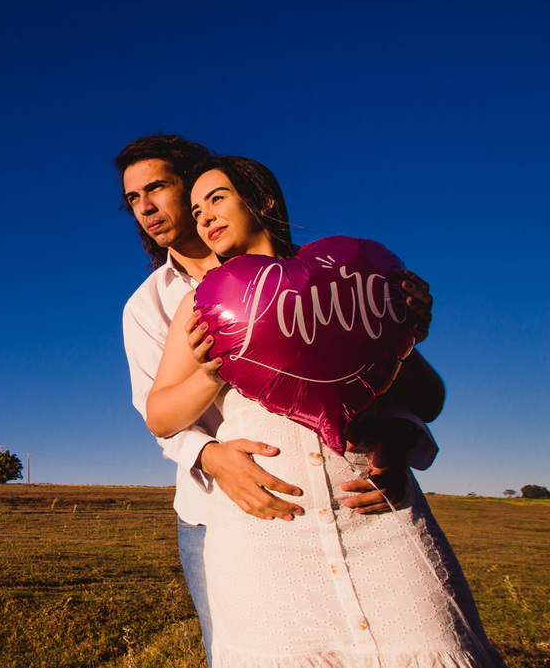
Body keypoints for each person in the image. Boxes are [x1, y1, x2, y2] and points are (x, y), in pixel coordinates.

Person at [145, 155, 504, 667]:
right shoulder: (201, 303)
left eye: (217, 198)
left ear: (263, 199)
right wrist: (209, 372)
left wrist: (403, 335)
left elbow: (430, 400)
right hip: (264, 534)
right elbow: (160, 415)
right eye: (197, 208)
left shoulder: (347, 279)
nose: (203, 216)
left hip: (379, 517)